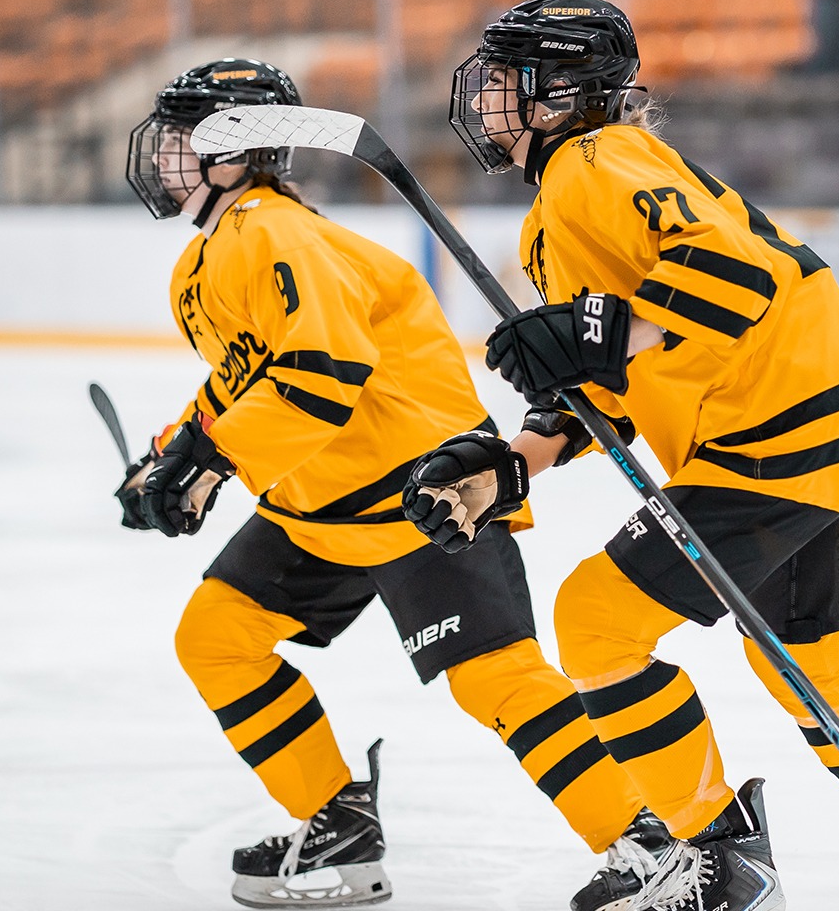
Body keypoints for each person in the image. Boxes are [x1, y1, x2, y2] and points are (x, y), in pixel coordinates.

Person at [408, 0, 839, 911]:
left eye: (505, 84)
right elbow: (608, 389)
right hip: (831, 424)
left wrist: (595, 332)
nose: (486, 103)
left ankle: (718, 853)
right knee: (808, 658)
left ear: (560, 93)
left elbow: (739, 281)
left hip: (775, 432)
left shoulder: (595, 163)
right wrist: (508, 462)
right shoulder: (573, 197)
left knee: (597, 621)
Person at [118, 59, 663, 910]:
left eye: (186, 139)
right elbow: (243, 379)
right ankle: (336, 822)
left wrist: (211, 460)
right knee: (217, 634)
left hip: (426, 492)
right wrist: (174, 456)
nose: (168, 157)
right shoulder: (223, 250)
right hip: (323, 501)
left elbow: (321, 376)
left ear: (235, 151)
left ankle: (646, 847)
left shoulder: (274, 235)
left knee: (497, 678)